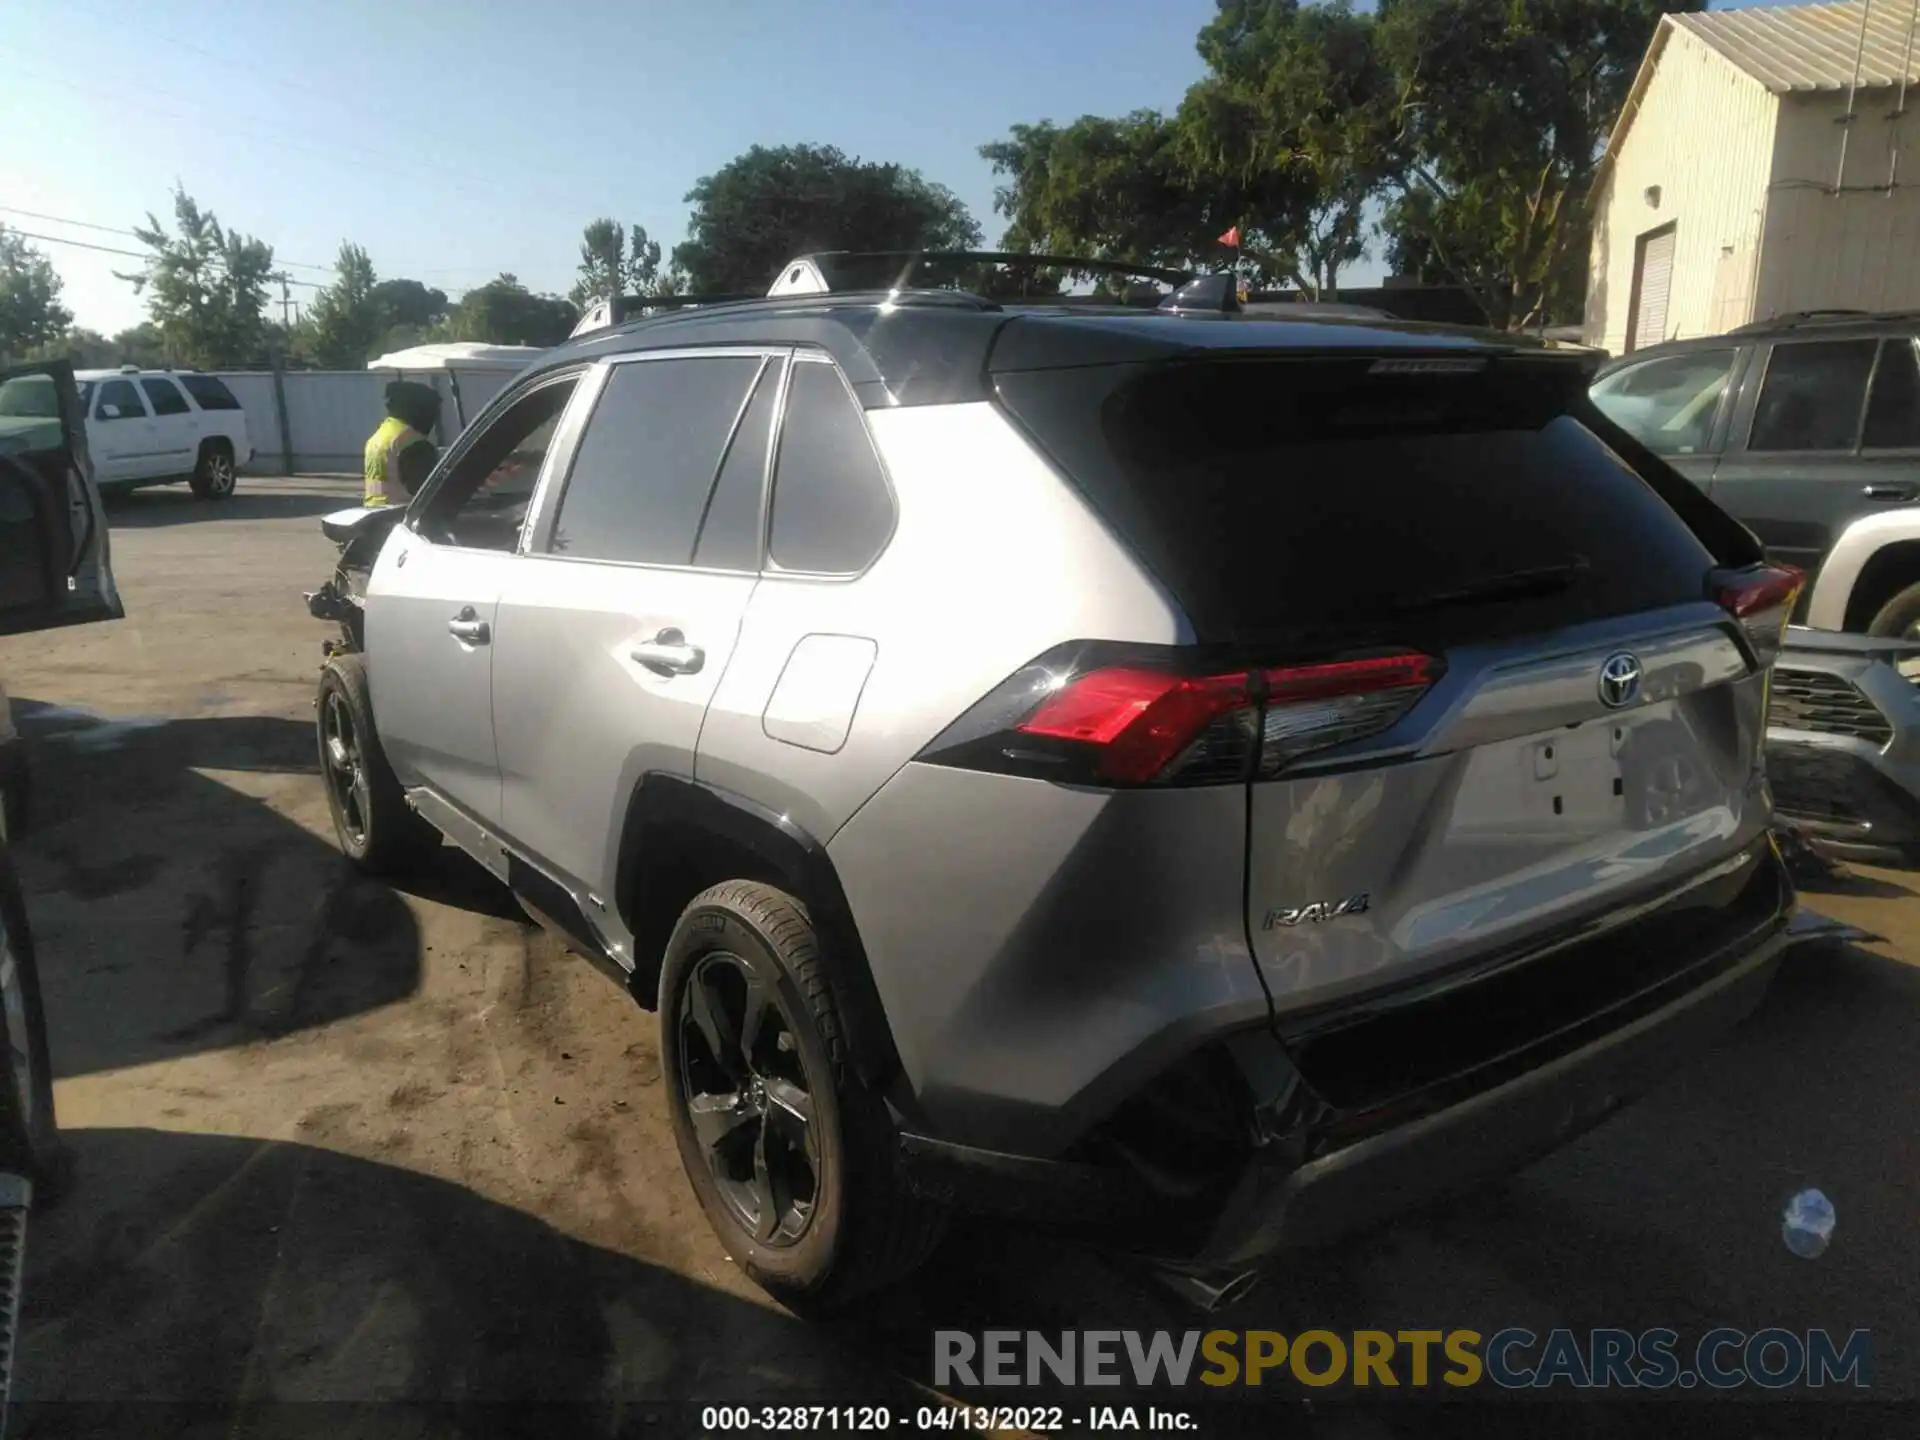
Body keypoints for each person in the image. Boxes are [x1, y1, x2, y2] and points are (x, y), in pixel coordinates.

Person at [363, 381, 442, 508]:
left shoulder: (380, 435)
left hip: (373, 510)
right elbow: (426, 489)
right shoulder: (413, 442)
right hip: (401, 514)